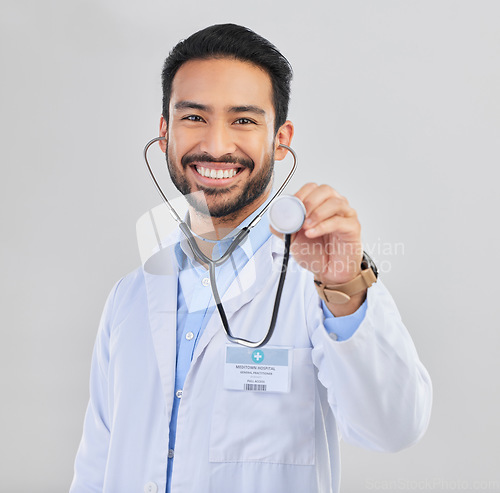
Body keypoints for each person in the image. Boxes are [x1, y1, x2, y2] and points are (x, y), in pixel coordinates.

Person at [70, 23, 432, 493]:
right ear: (164, 133)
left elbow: (393, 428)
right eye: (194, 117)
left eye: (243, 120)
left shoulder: (317, 287)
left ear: (280, 138)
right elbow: (97, 464)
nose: (217, 145)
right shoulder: (129, 298)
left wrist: (345, 285)